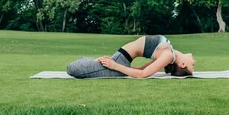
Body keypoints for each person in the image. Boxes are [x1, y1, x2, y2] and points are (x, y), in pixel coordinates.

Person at [66, 35, 195, 78]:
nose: (194, 61)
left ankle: (89, 62)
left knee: (72, 68)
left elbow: (143, 74)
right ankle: (90, 61)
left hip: (120, 61)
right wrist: (114, 63)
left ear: (183, 65)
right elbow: (140, 70)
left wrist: (115, 66)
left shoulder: (167, 56)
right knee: (84, 64)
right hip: (120, 59)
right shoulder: (169, 52)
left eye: (192, 65)